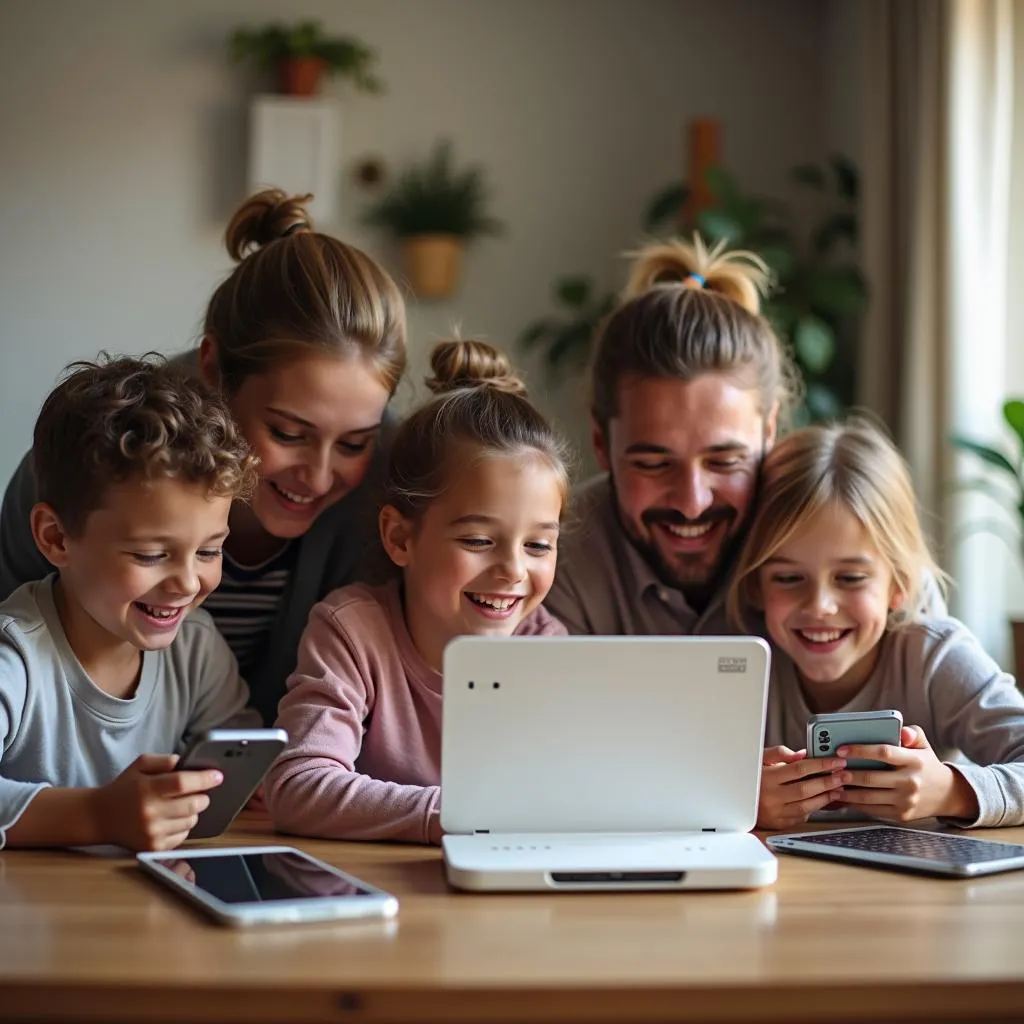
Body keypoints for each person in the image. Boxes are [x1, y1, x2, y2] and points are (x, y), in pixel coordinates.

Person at [0, 189, 407, 725]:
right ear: (214, 368)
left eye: (354, 442)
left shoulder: (389, 490)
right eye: (288, 432)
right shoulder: (84, 465)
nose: (319, 475)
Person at [265, 340, 569, 844]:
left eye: (539, 544)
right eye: (478, 541)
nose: (513, 569)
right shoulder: (352, 631)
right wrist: (452, 815)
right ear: (400, 538)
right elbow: (297, 786)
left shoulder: (545, 644)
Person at [0, 356, 260, 852]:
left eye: (209, 551)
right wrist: (97, 817)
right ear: (56, 538)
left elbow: (241, 763)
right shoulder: (15, 658)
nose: (187, 582)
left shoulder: (197, 650)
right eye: (150, 554)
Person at [728, 419, 1024, 830]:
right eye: (788, 578)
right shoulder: (733, 667)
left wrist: (951, 790)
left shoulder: (935, 657)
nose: (820, 607)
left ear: (899, 583)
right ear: (756, 586)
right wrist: (737, 802)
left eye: (850, 578)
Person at [544, 236, 796, 636]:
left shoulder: (839, 538)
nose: (692, 503)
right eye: (654, 464)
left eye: (725, 462)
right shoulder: (554, 560)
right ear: (600, 444)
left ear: (769, 432)